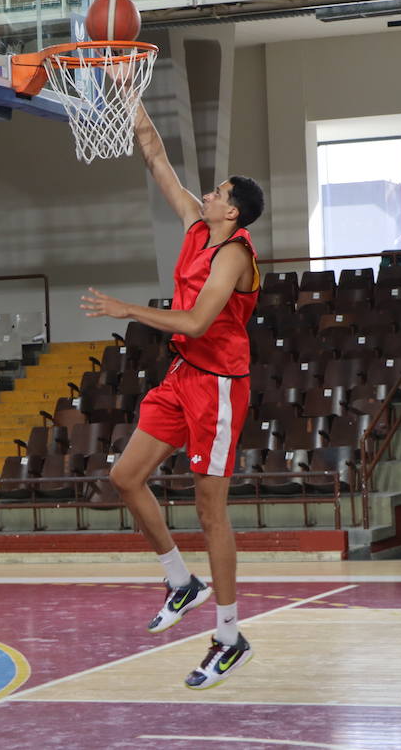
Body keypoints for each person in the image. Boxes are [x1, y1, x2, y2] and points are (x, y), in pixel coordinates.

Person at [81, 103, 265, 690]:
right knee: (125, 477)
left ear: (231, 210)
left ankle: (230, 637)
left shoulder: (234, 254)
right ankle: (180, 580)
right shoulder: (194, 226)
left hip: (218, 387)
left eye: (216, 192)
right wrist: (126, 87)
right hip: (182, 378)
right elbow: (155, 153)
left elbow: (195, 323)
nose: (205, 194)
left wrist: (126, 310)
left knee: (210, 511)